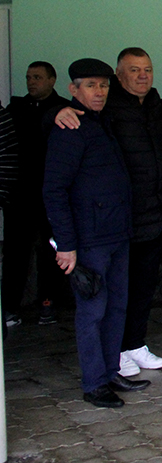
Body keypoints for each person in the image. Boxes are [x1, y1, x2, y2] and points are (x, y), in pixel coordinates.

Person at [55, 49, 162, 375]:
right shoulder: (104, 110)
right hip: (113, 222)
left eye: (147, 69)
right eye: (134, 70)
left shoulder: (157, 105)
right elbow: (67, 120)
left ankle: (133, 344)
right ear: (119, 76)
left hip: (151, 216)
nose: (142, 75)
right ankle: (111, 359)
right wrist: (53, 112)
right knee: (108, 300)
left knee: (140, 290)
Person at [43, 58, 149, 408]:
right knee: (93, 313)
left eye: (103, 85)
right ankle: (94, 384)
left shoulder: (101, 122)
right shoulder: (69, 127)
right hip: (89, 240)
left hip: (116, 234)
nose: (99, 91)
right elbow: (54, 190)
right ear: (73, 90)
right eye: (90, 85)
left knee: (116, 308)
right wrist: (66, 245)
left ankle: (109, 372)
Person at [6, 61, 66, 327]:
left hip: (52, 193)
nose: (31, 82)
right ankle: (9, 306)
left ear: (52, 80)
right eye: (29, 77)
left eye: (38, 77)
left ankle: (48, 302)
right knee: (15, 251)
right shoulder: (16, 110)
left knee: (52, 250)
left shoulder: (64, 109)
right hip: (20, 193)